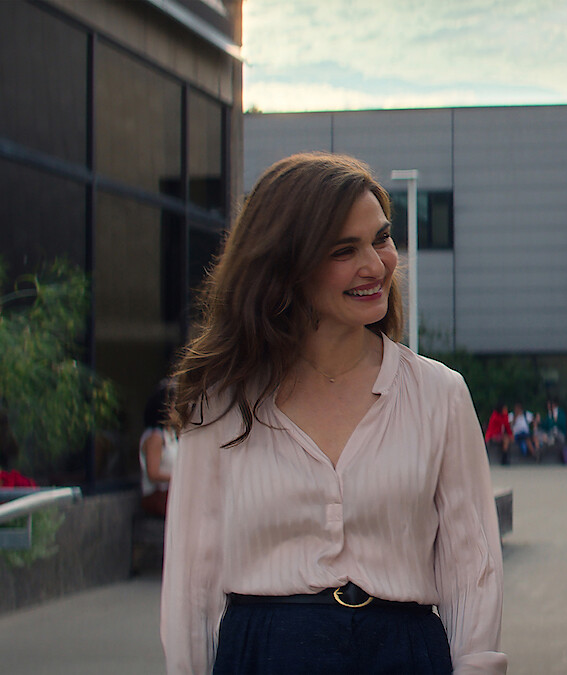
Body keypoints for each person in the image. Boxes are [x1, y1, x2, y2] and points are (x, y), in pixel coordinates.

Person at [161, 152, 506, 674]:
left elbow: (471, 567)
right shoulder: (222, 400)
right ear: (286, 264)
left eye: (381, 238)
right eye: (345, 250)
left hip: (405, 656)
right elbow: (192, 579)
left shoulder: (440, 393)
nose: (376, 264)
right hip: (264, 655)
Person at [138, 378, 178, 517]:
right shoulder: (155, 437)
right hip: (158, 496)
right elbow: (153, 473)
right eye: (175, 404)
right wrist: (178, 477)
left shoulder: (171, 435)